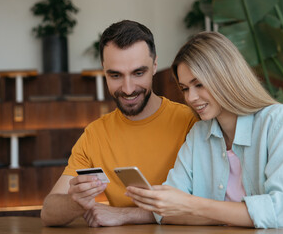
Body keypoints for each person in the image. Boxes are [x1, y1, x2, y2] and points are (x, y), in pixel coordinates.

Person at [126, 32, 283, 230]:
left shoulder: (278, 121)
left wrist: (191, 205)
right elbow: (167, 213)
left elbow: (281, 212)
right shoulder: (199, 134)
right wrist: (225, 215)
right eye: (185, 88)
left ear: (225, 77)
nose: (191, 98)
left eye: (199, 84)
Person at [40, 20, 197, 227]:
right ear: (103, 71)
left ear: (155, 66)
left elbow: (209, 204)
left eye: (138, 73)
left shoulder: (191, 122)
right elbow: (48, 213)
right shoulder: (95, 134)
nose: (128, 88)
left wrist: (124, 214)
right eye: (115, 75)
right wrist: (76, 201)